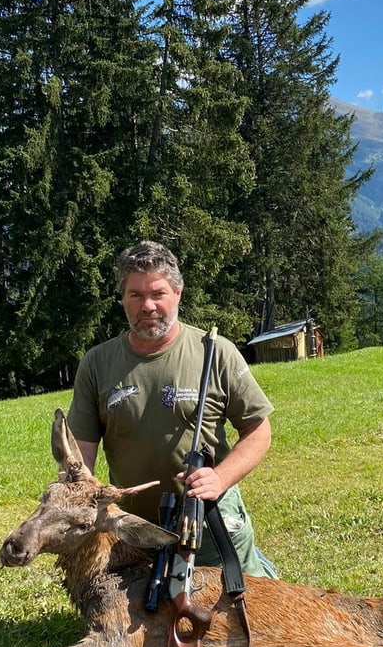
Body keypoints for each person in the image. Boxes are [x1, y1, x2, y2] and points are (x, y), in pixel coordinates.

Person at [67, 241, 277, 578]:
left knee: (249, 607)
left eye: (157, 293)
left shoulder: (215, 352)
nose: (147, 305)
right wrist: (79, 493)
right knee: (150, 617)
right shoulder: (97, 363)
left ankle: (259, 569)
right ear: (123, 299)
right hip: (134, 528)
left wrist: (219, 478)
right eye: (135, 295)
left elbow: (258, 429)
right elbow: (81, 452)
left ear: (177, 293)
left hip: (209, 516)